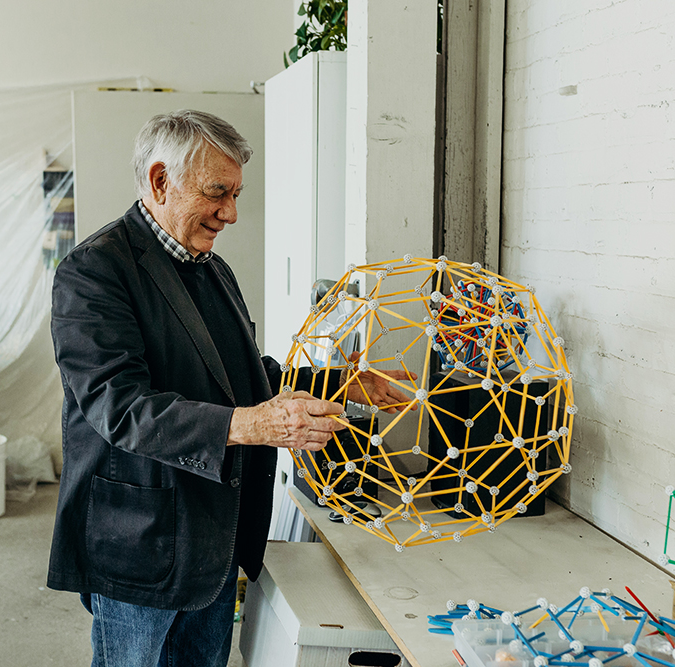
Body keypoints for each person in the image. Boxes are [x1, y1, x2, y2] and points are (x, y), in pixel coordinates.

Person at [48, 110, 411, 667]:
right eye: (218, 192)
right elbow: (119, 408)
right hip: (141, 542)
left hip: (215, 535)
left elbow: (246, 378)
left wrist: (350, 381)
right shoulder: (94, 272)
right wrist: (255, 425)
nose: (232, 213)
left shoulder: (211, 268)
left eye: (236, 193)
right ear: (160, 181)